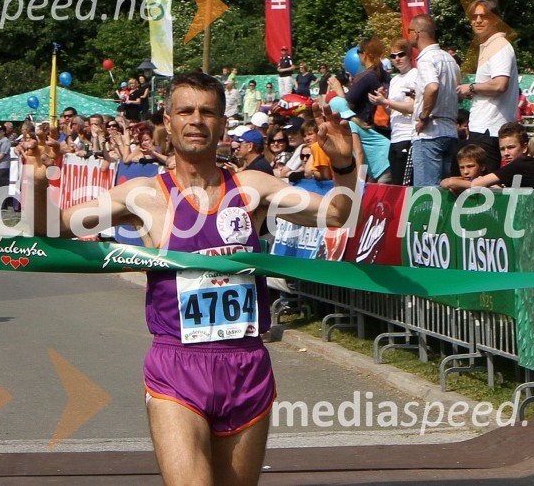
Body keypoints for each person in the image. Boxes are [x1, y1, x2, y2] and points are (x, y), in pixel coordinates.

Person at [29, 72, 357, 486]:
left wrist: (344, 165)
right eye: (185, 110)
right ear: (168, 121)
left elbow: (336, 214)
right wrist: (39, 182)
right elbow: (52, 228)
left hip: (246, 366)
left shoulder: (251, 187)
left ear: (222, 123)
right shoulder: (144, 194)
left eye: (207, 112)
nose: (196, 120)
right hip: (177, 368)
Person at [455, 0, 519, 172]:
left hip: (489, 130)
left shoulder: (499, 46)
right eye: (473, 17)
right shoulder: (489, 46)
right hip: (484, 129)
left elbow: (500, 84)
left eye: (483, 16)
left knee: (483, 189)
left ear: (496, 19)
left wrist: (472, 87)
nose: (477, 20)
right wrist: (475, 90)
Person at [408, 14, 461, 186]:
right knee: (445, 194)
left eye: (409, 31)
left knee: (425, 196)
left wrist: (423, 116)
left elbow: (433, 86)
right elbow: (459, 94)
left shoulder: (425, 59)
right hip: (451, 132)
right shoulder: (450, 59)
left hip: (430, 133)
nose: (407, 35)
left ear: (416, 33)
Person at [440, 122, 534, 192]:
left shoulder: (523, 163)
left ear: (524, 147)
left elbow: (475, 185)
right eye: (502, 149)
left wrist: (450, 182)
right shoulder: (523, 165)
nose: (506, 153)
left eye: (511, 147)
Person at [368, 38, 418, 185]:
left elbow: (412, 107)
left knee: (406, 184)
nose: (397, 59)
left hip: (409, 135)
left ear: (409, 55)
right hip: (395, 136)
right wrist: (382, 102)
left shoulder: (415, 75)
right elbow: (392, 113)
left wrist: (386, 102)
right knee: (396, 184)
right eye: (393, 56)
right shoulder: (395, 80)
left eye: (400, 54)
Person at [330, 36, 389, 128]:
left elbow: (347, 106)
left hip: (364, 128)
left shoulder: (364, 77)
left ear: (364, 54)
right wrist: (350, 86)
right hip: (383, 128)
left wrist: (338, 89)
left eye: (359, 52)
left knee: (335, 102)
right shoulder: (384, 75)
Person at [332, 96, 390, 183]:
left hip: (384, 162)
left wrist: (360, 180)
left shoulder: (350, 126)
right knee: (370, 194)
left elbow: (359, 153)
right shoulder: (351, 124)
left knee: (380, 194)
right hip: (376, 167)